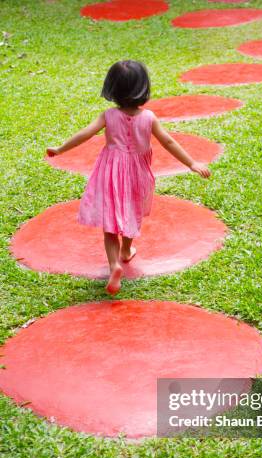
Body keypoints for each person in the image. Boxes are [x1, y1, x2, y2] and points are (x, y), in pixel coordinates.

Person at [47, 60, 211, 294]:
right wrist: (192, 162)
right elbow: (168, 141)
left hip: (111, 172)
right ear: (144, 89)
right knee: (132, 211)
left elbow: (85, 134)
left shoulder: (108, 115)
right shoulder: (149, 118)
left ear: (112, 89)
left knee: (110, 221)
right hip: (137, 173)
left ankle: (115, 264)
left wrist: (61, 149)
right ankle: (126, 251)